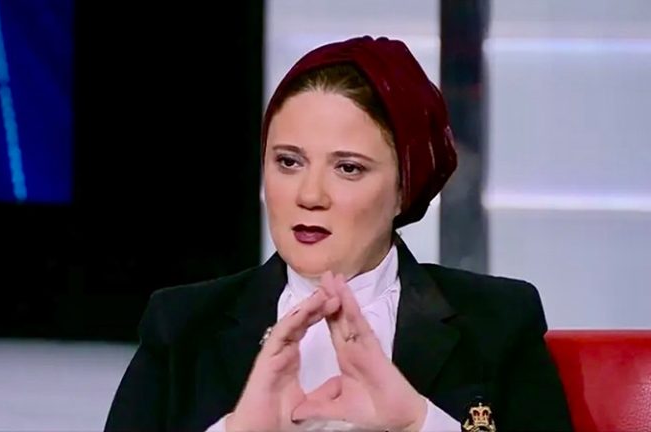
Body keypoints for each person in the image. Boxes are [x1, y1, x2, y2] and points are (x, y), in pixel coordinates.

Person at [103, 35, 573, 432]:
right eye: (288, 162)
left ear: (404, 189)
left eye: (348, 168)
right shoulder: (183, 327)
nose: (310, 195)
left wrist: (418, 423)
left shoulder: (497, 322)